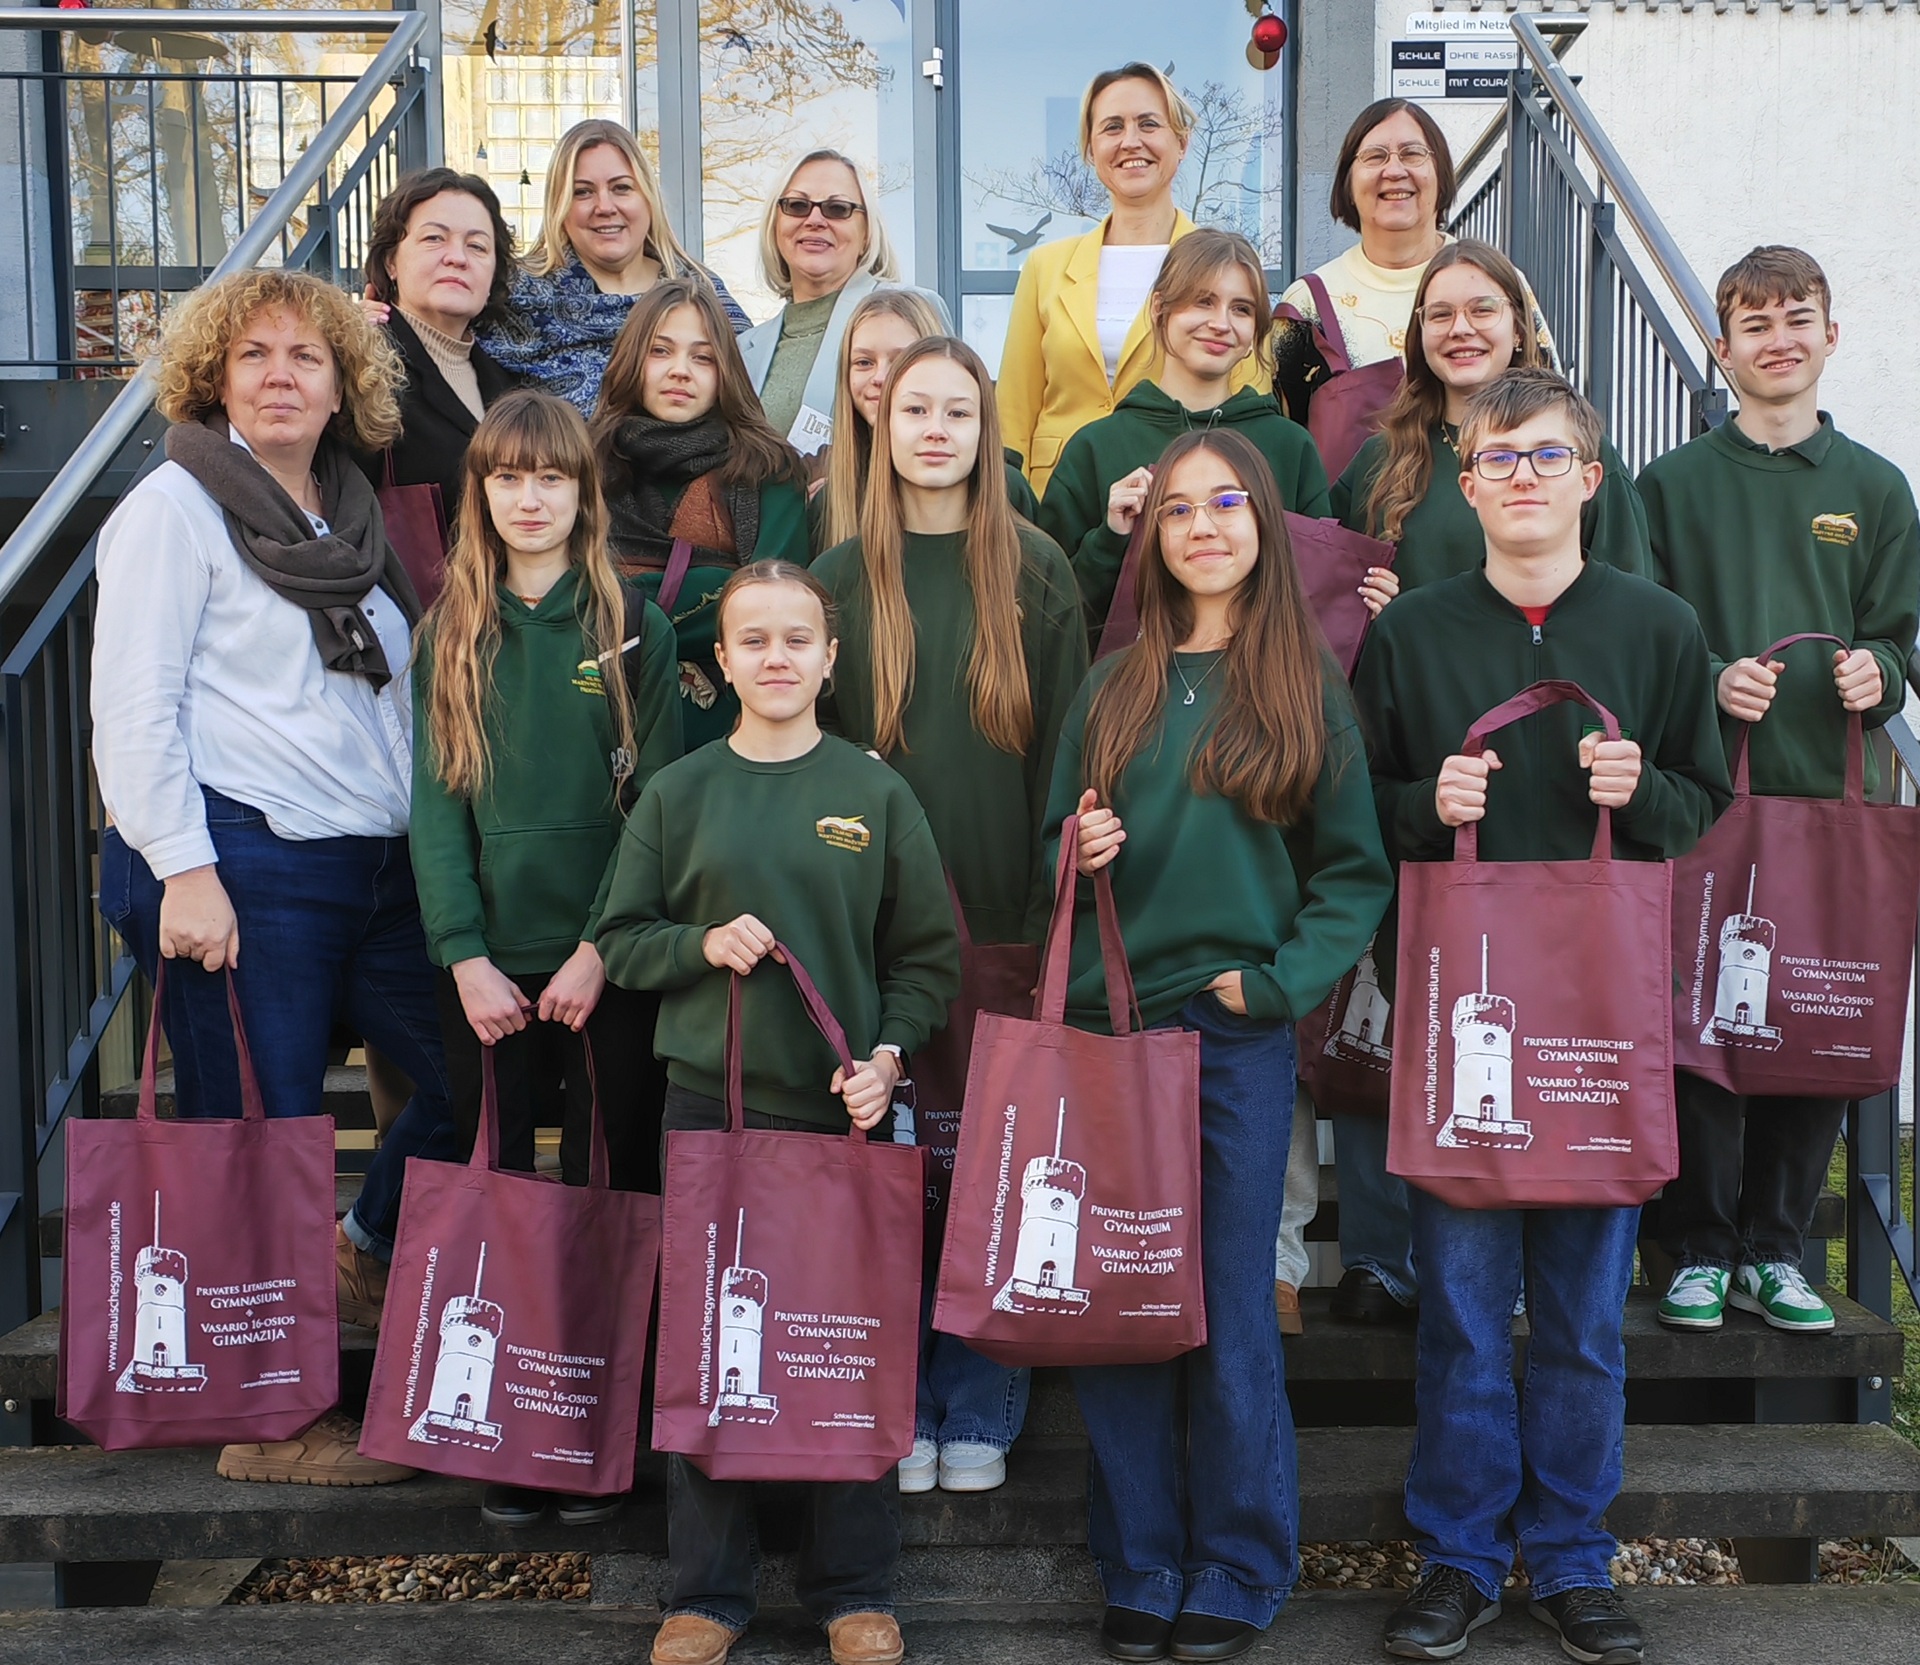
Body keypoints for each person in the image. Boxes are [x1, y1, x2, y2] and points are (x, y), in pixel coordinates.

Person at [1355, 369, 1730, 1664]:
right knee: (1461, 1311)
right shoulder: (1411, 636)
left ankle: (1571, 1558)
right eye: (1497, 458)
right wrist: (1424, 806)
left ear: (1590, 475)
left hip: (1595, 1023)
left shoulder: (1659, 626)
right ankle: (1458, 1559)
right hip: (1464, 1012)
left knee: (1577, 1314)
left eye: (1545, 455)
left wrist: (1651, 790)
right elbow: (1367, 803)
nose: (1521, 475)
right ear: (1463, 485)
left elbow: (1704, 802)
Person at [92, 268, 459, 1488]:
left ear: (346, 380)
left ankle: (366, 1239)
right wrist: (183, 871)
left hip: (375, 865)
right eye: (256, 356)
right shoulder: (175, 509)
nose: (284, 374)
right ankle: (273, 1419)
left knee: (485, 1067)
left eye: (309, 355)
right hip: (243, 858)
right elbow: (132, 705)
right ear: (215, 378)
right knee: (260, 1128)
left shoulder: (348, 516)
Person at [1046, 429, 1391, 1663]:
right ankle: (1142, 1560)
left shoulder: (1304, 687)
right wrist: (1074, 853)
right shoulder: (1114, 683)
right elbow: (1051, 841)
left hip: (1234, 1036)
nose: (1201, 525)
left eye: (1227, 504)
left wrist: (1281, 984)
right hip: (1114, 1036)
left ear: (1263, 526)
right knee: (1124, 1308)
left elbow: (1354, 874)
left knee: (1235, 1310)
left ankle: (1240, 1561)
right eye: (1178, 509)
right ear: (1152, 537)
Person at [596, 560, 961, 1665]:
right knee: (712, 1344)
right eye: (753, 640)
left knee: (846, 1347)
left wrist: (890, 1058)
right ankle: (708, 1593)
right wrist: (699, 944)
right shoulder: (679, 790)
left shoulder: (876, 792)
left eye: (797, 639)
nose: (776, 658)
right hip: (711, 1108)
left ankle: (852, 1586)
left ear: (830, 657)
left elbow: (927, 960)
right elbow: (619, 939)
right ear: (721, 662)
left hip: (842, 1116)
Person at [1319, 239, 1649, 1331]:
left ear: (1521, 321)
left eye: (1482, 308)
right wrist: (1373, 615)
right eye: (1437, 312)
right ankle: (1385, 1257)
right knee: (1395, 1034)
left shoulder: (1569, 451)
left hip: (1560, 814)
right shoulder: (1385, 460)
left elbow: (1627, 618)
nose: (1459, 327)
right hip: (1434, 782)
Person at [812, 336, 1086, 1495]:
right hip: (870, 928)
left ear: (987, 432)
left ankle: (978, 1397)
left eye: (959, 412)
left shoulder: (1032, 567)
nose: (934, 429)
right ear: (879, 424)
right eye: (912, 407)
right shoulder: (834, 579)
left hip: (1006, 918)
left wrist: (1045, 915)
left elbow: (1070, 751)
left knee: (993, 1167)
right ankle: (896, 1397)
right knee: (892, 1174)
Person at [1640, 246, 1920, 1336]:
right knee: (1704, 1024)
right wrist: (1708, 679)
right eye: (1754, 324)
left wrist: (1878, 672)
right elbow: (1645, 630)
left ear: (1831, 336)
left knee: (1820, 1013)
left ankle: (1778, 1249)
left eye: (1797, 318)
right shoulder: (1669, 485)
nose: (1778, 339)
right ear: (1721, 348)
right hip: (1708, 793)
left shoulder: (1876, 489)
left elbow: (1898, 636)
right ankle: (1700, 1248)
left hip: (1827, 800)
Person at [1039, 227, 1330, 644]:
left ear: (1254, 335)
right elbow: (1052, 612)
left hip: (1264, 696)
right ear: (1160, 309)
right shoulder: (1094, 448)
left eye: (1242, 309)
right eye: (1203, 302)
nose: (1220, 324)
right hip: (1129, 698)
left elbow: (1317, 598)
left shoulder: (1290, 447)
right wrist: (1110, 539)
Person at [998, 63, 1268, 498]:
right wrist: (1009, 503)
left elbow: (1249, 402)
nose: (1130, 141)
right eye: (1112, 127)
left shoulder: (1228, 266)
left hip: (1179, 495)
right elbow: (1014, 410)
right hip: (1059, 501)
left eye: (1148, 124)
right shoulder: (1045, 267)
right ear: (1090, 148)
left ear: (1181, 143)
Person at [592, 277, 811, 749]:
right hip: (601, 733)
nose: (680, 371)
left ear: (725, 370)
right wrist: (717, 582)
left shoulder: (768, 472)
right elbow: (567, 601)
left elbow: (770, 609)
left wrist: (623, 600)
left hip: (733, 739)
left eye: (703, 356)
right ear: (632, 361)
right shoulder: (585, 469)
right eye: (660, 351)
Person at [475, 120, 749, 414]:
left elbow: (752, 393)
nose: (604, 206)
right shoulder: (513, 295)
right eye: (582, 192)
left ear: (648, 199)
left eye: (621, 188)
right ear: (559, 206)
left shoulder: (702, 292)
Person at [738, 148, 951, 456]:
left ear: (866, 232)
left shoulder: (915, 311)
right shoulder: (744, 349)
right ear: (775, 225)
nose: (814, 220)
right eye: (797, 206)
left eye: (837, 209)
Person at [811, 288, 1038, 554]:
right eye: (863, 362)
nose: (880, 377)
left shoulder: (1005, 488)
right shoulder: (831, 499)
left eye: (900, 360)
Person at [358, 168, 521, 527]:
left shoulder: (509, 385)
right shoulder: (361, 362)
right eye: (434, 239)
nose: (457, 258)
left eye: (477, 246)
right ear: (391, 262)